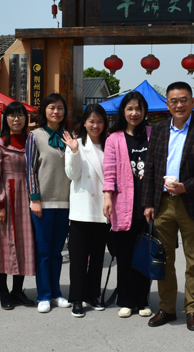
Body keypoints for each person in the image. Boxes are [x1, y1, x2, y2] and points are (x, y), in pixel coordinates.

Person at [142, 81, 194, 332]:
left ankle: (193, 309)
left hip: (192, 202)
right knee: (163, 259)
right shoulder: (158, 129)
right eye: (174, 100)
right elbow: (151, 167)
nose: (179, 105)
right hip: (163, 203)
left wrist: (187, 186)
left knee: (193, 260)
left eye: (184, 99)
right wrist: (148, 203)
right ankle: (166, 308)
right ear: (167, 104)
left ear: (192, 102)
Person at [103, 92, 153, 319]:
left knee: (144, 255)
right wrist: (107, 198)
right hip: (123, 205)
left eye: (138, 108)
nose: (134, 113)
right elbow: (109, 171)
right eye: (130, 108)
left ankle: (142, 300)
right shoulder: (114, 138)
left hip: (148, 206)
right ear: (123, 111)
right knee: (124, 255)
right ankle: (126, 300)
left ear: (144, 112)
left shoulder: (152, 134)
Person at [0, 102, 35, 310]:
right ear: (6, 119)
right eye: (12, 115)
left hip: (27, 199)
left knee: (24, 243)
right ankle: (4, 292)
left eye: (20, 115)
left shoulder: (32, 141)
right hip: (6, 198)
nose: (16, 119)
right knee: (1, 245)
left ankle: (18, 291)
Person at [25, 93, 72, 313]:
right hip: (42, 203)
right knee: (43, 251)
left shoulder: (69, 136)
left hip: (65, 203)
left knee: (57, 252)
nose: (56, 112)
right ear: (44, 110)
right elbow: (30, 169)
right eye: (52, 107)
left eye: (60, 108)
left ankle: (56, 293)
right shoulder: (35, 136)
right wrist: (34, 198)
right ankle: (43, 295)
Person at [63, 104, 110, 318]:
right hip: (82, 210)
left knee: (98, 257)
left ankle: (92, 294)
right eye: (91, 121)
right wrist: (74, 151)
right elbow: (72, 175)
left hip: (103, 208)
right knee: (79, 258)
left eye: (99, 121)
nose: (95, 125)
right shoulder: (76, 144)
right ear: (84, 123)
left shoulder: (110, 144)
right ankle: (76, 298)